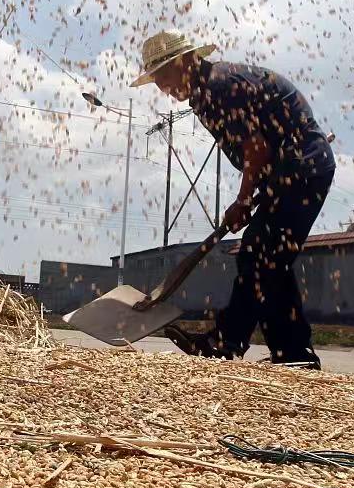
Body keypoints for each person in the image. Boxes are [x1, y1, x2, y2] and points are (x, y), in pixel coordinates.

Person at [130, 30, 335, 369]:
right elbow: (261, 146)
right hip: (288, 169)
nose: (162, 88)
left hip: (302, 167)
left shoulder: (218, 86)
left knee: (260, 251)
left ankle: (231, 343)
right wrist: (253, 192)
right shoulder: (203, 93)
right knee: (266, 255)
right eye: (157, 81)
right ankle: (287, 352)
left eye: (163, 77)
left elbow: (256, 147)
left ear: (185, 62)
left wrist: (242, 201)